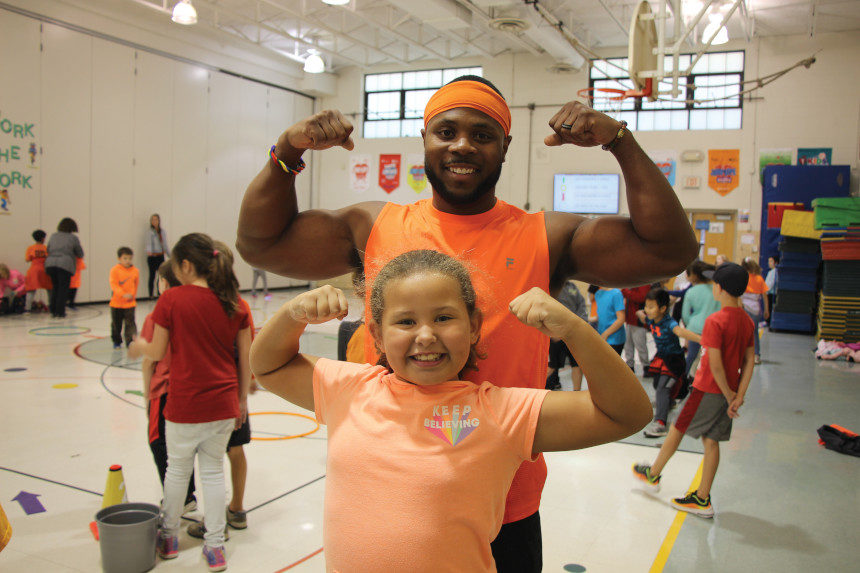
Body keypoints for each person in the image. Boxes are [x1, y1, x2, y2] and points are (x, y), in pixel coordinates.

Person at [236, 76, 698, 570]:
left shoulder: (545, 235)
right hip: (384, 488)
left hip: (506, 499)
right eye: (447, 131)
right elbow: (260, 244)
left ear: (505, 147)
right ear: (425, 139)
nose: (462, 145)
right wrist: (287, 153)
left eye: (482, 135)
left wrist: (619, 142)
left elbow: (669, 250)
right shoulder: (373, 225)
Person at [249, 249, 653, 572]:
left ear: (475, 326)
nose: (426, 335)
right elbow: (268, 365)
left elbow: (627, 414)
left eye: (444, 317)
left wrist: (575, 329)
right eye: (405, 321)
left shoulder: (500, 412)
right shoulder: (350, 389)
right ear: (377, 334)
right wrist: (292, 314)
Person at [129, 233, 251, 572]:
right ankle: (214, 548)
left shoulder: (172, 300)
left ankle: (169, 538)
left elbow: (156, 352)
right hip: (223, 405)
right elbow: (245, 360)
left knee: (177, 471)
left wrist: (139, 345)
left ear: (185, 265)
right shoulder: (235, 303)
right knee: (213, 474)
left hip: (185, 406)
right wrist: (240, 401)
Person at [632, 263, 755, 518]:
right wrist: (737, 395)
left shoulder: (716, 321)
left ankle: (653, 474)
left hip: (708, 389)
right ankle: (702, 498)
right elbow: (749, 360)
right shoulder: (746, 321)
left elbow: (715, 363)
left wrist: (729, 393)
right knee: (711, 442)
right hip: (726, 391)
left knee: (676, 429)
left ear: (718, 289)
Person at [188, 244, 256, 539]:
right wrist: (244, 391)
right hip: (233, 393)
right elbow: (248, 349)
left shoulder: (197, 304)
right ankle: (236, 509)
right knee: (234, 450)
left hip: (209, 395)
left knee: (209, 461)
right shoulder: (240, 304)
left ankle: (215, 522)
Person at [141, 260, 198, 516]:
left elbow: (148, 361)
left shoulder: (157, 317)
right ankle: (187, 495)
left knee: (158, 443)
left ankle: (177, 498)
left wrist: (146, 397)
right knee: (182, 445)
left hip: (164, 390)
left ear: (163, 282)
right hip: (189, 389)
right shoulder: (194, 312)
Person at [636, 287, 701, 437]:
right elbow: (643, 316)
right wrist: (640, 313)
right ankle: (669, 402)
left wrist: (701, 339)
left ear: (663, 308)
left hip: (674, 360)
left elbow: (680, 331)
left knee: (662, 388)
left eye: (651, 307)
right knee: (657, 384)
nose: (647, 309)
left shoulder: (669, 322)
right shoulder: (651, 318)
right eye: (646, 306)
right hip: (661, 357)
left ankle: (660, 423)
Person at [545, 279, 587, 391]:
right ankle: (533, 389)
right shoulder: (550, 286)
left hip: (572, 334)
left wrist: (578, 328)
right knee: (552, 366)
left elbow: (581, 306)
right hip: (555, 334)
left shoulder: (572, 287)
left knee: (576, 364)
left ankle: (576, 392)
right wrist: (551, 332)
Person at [681, 260, 721, 377]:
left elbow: (685, 315)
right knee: (711, 357)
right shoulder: (717, 290)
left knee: (691, 356)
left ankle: (682, 381)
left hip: (695, 328)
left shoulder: (691, 292)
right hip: (714, 328)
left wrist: (690, 327)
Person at [45, 218, 84, 318]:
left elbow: (48, 249)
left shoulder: (54, 236)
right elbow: (80, 253)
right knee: (63, 289)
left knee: (55, 287)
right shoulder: (73, 238)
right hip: (65, 265)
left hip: (50, 264)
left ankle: (53, 311)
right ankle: (60, 312)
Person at [109, 247, 139, 349]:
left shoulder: (135, 271)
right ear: (119, 259)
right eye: (125, 258)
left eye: (130, 258)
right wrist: (122, 294)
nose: (128, 261)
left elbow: (135, 285)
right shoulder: (115, 270)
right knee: (116, 324)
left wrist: (132, 295)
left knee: (130, 324)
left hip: (130, 304)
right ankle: (116, 341)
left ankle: (130, 342)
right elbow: (114, 285)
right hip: (116, 303)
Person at [740, 257, 769, 364]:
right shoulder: (759, 278)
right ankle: (756, 354)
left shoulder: (743, 277)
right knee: (754, 332)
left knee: (743, 332)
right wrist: (766, 310)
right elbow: (765, 296)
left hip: (743, 307)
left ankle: (743, 354)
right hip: (755, 308)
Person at [621, 284, 651, 373]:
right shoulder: (634, 282)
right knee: (628, 345)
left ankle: (646, 366)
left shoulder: (644, 282)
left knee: (640, 345)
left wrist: (624, 291)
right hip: (629, 320)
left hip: (639, 321)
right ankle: (630, 365)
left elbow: (641, 297)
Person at [24, 230, 51, 312]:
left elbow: (27, 260)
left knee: (31, 290)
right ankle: (51, 307)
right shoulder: (46, 248)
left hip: (34, 270)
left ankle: (27, 309)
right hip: (45, 270)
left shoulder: (31, 248)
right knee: (50, 289)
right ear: (43, 238)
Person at [594, 287, 626, 355]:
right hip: (602, 337)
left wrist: (606, 334)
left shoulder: (616, 293)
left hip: (615, 339)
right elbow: (601, 315)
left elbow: (621, 319)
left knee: (612, 364)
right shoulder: (598, 293)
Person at [146, 214, 169, 299]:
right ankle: (150, 295)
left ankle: (160, 293)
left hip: (160, 256)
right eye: (153, 220)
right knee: (152, 276)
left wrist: (169, 255)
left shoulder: (162, 232)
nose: (154, 221)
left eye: (156, 220)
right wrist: (149, 251)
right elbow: (148, 243)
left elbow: (165, 244)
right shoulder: (150, 232)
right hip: (152, 257)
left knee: (161, 276)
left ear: (159, 221)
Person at [764, 255, 779, 325]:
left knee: (770, 308)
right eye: (769, 261)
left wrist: (765, 290)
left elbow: (770, 284)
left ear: (775, 262)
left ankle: (769, 321)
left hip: (771, 294)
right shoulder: (771, 272)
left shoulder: (775, 272)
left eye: (771, 261)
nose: (769, 263)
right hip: (768, 293)